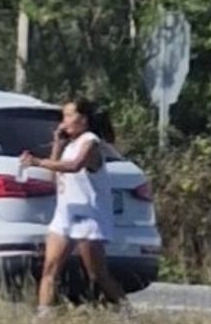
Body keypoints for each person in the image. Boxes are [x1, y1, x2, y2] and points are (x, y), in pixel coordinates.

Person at [20, 98, 133, 318]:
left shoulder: (90, 142)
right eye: (64, 116)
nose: (65, 121)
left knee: (96, 273)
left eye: (69, 116)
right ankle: (44, 314)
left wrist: (37, 162)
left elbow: (74, 166)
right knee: (50, 269)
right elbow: (54, 177)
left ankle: (125, 310)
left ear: (84, 119)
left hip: (88, 217)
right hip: (66, 214)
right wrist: (57, 145)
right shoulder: (69, 146)